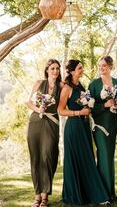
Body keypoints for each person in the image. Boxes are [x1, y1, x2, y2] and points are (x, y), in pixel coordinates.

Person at [58, 59, 109, 205]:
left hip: (84, 126)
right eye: (79, 68)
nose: (82, 69)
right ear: (72, 71)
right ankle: (78, 194)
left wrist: (88, 109)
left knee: (88, 158)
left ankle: (90, 194)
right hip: (74, 127)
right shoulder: (67, 88)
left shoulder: (80, 86)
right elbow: (60, 110)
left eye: (82, 67)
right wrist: (79, 112)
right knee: (78, 159)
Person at [26, 59, 63, 207]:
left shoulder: (61, 86)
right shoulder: (39, 83)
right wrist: (38, 109)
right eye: (53, 68)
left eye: (57, 69)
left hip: (52, 123)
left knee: (48, 156)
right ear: (47, 70)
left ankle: (45, 195)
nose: (55, 71)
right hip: (35, 121)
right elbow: (27, 101)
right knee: (35, 158)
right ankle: (37, 196)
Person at [88, 56, 117, 200]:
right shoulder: (94, 84)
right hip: (100, 124)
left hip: (112, 123)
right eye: (99, 65)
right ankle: (103, 192)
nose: (101, 68)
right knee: (103, 156)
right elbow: (90, 106)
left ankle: (110, 191)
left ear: (110, 67)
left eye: (104, 66)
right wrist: (104, 105)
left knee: (110, 156)